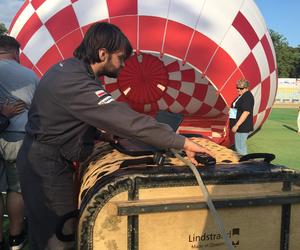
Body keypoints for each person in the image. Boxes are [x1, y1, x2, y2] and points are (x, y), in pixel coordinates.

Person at [16, 22, 213, 250]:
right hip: (46, 165)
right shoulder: (75, 80)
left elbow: (69, 117)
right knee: (59, 238)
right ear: (102, 54)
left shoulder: (72, 70)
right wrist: (182, 141)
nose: (123, 65)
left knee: (56, 230)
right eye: (120, 57)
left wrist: (101, 134)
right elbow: (123, 117)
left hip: (47, 158)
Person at [0, 35, 39, 249]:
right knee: (17, 189)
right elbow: (40, 108)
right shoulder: (28, 75)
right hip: (18, 137)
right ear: (15, 52)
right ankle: (16, 236)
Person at [229, 79, 254, 156]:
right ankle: (243, 164)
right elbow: (236, 108)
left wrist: (237, 125)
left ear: (247, 88)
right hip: (239, 126)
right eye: (237, 87)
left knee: (240, 148)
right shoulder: (241, 96)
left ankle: (244, 166)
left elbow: (246, 112)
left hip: (242, 126)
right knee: (239, 147)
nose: (238, 89)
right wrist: (231, 112)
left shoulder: (248, 96)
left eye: (241, 88)